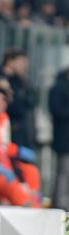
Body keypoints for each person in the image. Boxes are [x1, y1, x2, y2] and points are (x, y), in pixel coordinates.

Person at [49, 68, 69, 211]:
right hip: (64, 139)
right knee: (63, 172)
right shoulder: (58, 88)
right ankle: (60, 202)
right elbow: (56, 110)